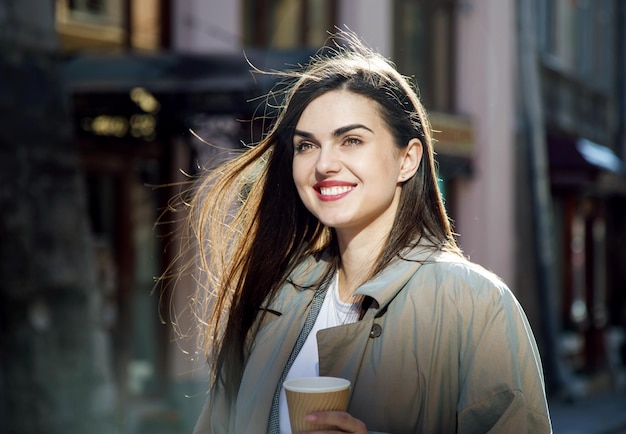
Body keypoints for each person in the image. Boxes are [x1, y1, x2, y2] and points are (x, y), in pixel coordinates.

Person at [183, 30, 552, 433]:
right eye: (307, 146)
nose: (324, 164)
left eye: (351, 140)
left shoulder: (475, 304)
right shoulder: (272, 296)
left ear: (407, 160)